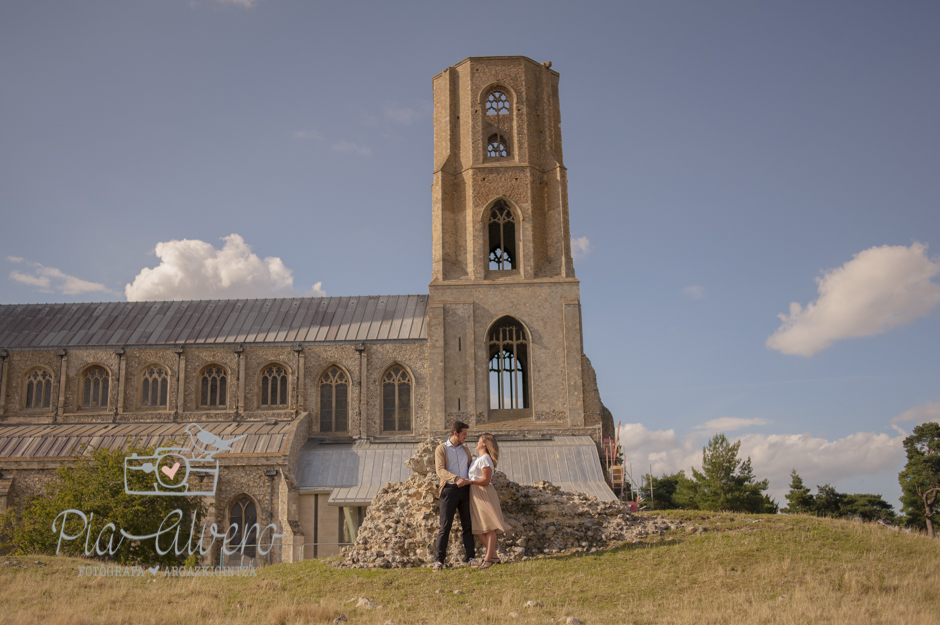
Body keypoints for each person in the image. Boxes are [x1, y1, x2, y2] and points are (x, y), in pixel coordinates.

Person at [433, 420, 476, 571]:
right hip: (449, 491)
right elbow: (440, 470)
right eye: (464, 434)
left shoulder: (465, 450)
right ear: (455, 433)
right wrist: (456, 478)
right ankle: (439, 560)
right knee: (445, 526)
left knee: (468, 525)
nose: (466, 437)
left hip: (465, 491)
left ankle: (471, 558)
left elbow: (470, 467)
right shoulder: (442, 449)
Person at [468, 432, 510, 569]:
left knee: (489, 526)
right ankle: (494, 556)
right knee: (479, 528)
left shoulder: (485, 458)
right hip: (476, 493)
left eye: (479, 440)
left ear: (485, 444)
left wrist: (469, 482)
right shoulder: (478, 459)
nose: (477, 443)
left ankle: (488, 559)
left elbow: (486, 480)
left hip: (483, 492)